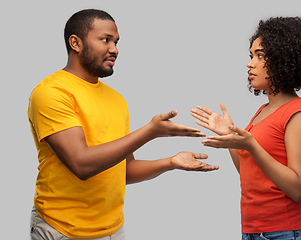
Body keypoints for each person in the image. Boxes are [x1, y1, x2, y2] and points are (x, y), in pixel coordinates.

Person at [28, 9, 218, 240]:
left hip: (113, 230)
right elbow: (82, 165)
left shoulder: (116, 99)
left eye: (116, 42)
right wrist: (150, 132)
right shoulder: (51, 93)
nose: (114, 49)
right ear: (75, 43)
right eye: (105, 40)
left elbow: (124, 170)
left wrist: (170, 162)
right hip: (61, 229)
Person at [191, 16, 301, 240]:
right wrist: (230, 137)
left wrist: (252, 146)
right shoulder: (262, 111)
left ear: (284, 60)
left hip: (287, 233)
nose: (250, 63)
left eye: (260, 56)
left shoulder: (299, 113)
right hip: (254, 232)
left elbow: (296, 189)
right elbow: (249, 171)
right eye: (251, 55)